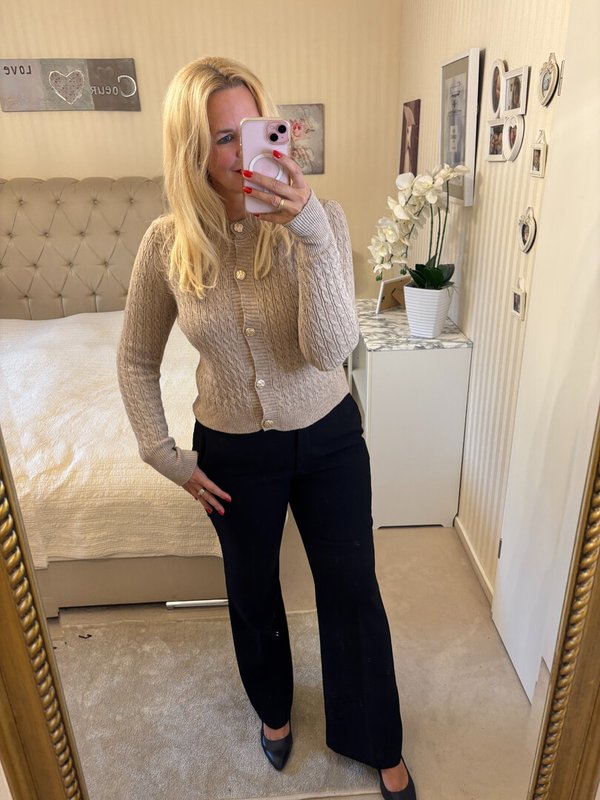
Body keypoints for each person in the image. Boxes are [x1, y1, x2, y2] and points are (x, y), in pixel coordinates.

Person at [117, 55, 416, 800]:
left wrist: (309, 232)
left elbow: (328, 350)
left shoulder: (322, 220)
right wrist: (165, 455)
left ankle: (377, 738)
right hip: (231, 450)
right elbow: (135, 359)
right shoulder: (166, 244)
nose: (243, 151)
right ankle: (274, 712)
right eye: (223, 138)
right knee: (251, 590)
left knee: (351, 587)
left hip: (328, 439)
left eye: (253, 129)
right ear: (191, 150)